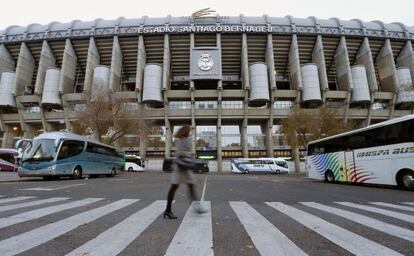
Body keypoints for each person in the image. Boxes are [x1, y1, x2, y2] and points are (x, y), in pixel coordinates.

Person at [164, 125, 206, 219]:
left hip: (184, 168)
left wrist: (189, 154)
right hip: (181, 167)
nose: (190, 132)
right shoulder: (182, 140)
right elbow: (179, 153)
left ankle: (197, 207)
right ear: (185, 131)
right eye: (188, 131)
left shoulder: (184, 140)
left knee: (189, 186)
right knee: (175, 187)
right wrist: (190, 153)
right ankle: (168, 210)